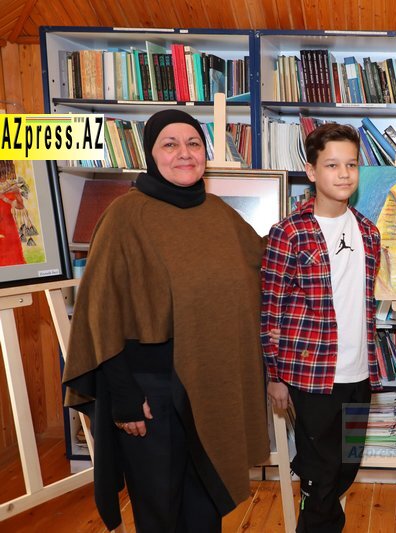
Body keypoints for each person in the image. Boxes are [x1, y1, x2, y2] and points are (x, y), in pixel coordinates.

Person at [62, 109, 270, 532]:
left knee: (206, 505)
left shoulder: (218, 213)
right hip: (151, 392)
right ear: (151, 154)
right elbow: (100, 313)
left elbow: (263, 265)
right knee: (160, 511)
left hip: (210, 388)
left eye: (193, 144)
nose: (184, 153)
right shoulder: (124, 216)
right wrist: (124, 396)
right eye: (170, 144)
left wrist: (316, 223)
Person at [261, 123, 382, 533]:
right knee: (321, 474)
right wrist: (274, 375)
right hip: (310, 375)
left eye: (351, 164)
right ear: (311, 171)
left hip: (359, 374)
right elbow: (271, 309)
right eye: (332, 165)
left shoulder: (369, 232)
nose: (344, 173)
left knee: (346, 466)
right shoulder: (288, 233)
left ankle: (319, 506)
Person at [0, 161, 27, 265]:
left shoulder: (10, 184)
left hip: (9, 225)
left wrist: (15, 193)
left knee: (14, 257)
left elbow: (20, 206)